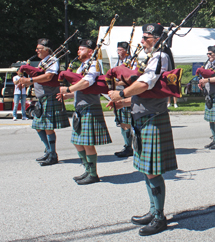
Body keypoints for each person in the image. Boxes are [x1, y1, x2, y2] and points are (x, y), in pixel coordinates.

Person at [108, 23, 177, 236]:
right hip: (144, 118)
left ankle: (159, 217)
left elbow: (145, 84)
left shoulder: (160, 57)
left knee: (152, 171)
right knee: (147, 171)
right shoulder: (154, 57)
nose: (142, 41)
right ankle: (153, 210)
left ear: (157, 38)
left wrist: (120, 94)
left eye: (146, 37)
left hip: (152, 120)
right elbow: (146, 93)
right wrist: (126, 102)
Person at [57, 39, 112, 184]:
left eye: (82, 49)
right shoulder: (82, 66)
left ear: (90, 52)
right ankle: (87, 169)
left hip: (89, 108)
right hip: (80, 108)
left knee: (87, 143)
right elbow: (81, 88)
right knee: (77, 142)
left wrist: (68, 89)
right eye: (79, 49)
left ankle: (93, 174)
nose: (78, 51)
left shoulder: (94, 64)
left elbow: (87, 82)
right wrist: (69, 95)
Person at [17, 38, 70, 166]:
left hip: (50, 96)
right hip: (41, 98)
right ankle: (48, 150)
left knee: (47, 128)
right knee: (38, 127)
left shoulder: (53, 61)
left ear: (47, 50)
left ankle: (53, 154)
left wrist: (30, 81)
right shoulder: (43, 62)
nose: (36, 51)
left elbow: (49, 77)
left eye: (39, 49)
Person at [114, 42, 135, 158]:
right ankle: (127, 145)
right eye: (117, 50)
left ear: (126, 50)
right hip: (118, 94)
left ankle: (130, 147)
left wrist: (117, 82)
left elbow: (132, 78)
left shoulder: (132, 62)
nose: (118, 52)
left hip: (127, 94)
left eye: (120, 50)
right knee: (122, 122)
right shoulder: (119, 62)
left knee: (127, 122)